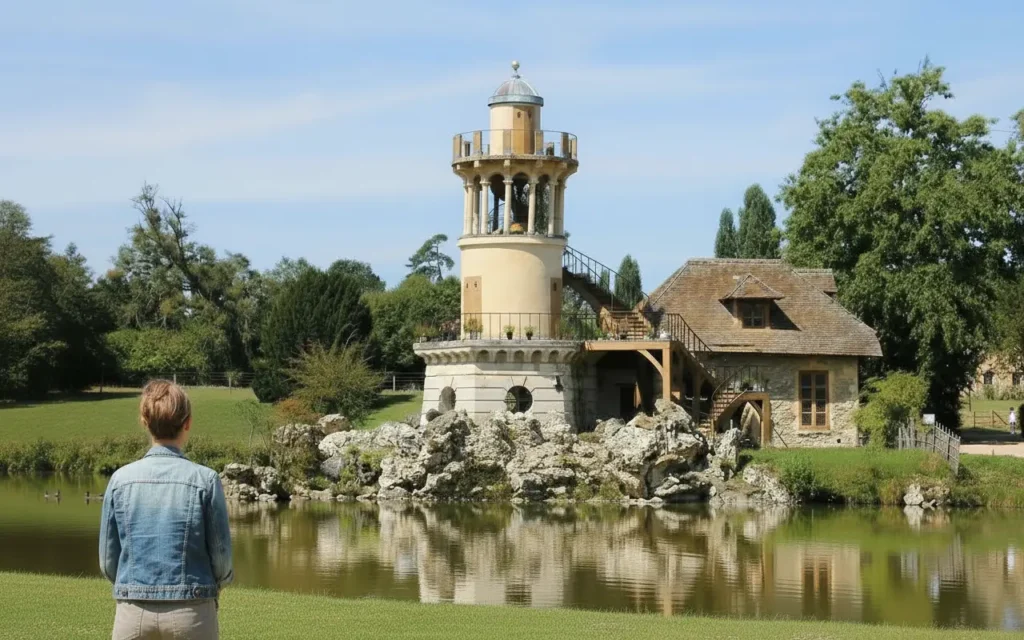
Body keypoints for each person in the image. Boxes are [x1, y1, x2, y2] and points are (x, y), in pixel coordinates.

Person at [100, 380, 233, 639]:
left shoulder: (120, 479)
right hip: (192, 610)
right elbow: (221, 556)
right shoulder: (205, 480)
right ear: (188, 422)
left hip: (133, 611)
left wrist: (132, 586)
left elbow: (108, 561)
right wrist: (216, 584)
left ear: (144, 421)